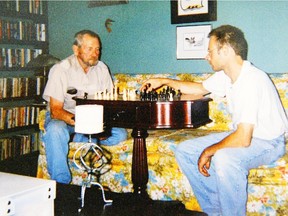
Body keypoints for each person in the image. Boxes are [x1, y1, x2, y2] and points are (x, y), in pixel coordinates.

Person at [140, 25, 288, 215]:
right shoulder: (227, 76)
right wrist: (164, 81)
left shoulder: (252, 80)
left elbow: (243, 139)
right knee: (186, 150)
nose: (206, 56)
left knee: (225, 157)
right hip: (245, 135)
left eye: (210, 51)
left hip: (269, 142)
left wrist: (209, 151)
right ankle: (216, 211)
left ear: (225, 51)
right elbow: (199, 88)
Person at [42, 30, 127, 184]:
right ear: (76, 49)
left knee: (120, 134)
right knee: (55, 130)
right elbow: (56, 111)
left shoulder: (102, 68)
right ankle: (60, 183)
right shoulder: (61, 69)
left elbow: (109, 103)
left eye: (98, 49)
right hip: (65, 118)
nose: (95, 54)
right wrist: (87, 125)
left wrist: (101, 127)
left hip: (95, 119)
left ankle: (82, 137)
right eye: (90, 49)